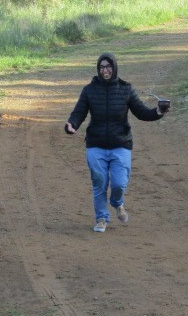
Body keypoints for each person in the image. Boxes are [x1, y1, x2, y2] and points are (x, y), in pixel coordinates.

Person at [65, 53, 169, 233]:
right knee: (99, 183)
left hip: (121, 144)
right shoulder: (89, 90)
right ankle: (101, 219)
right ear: (98, 69)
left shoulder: (126, 89)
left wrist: (159, 112)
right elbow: (78, 113)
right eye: (102, 67)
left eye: (108, 66)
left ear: (114, 68)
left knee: (119, 184)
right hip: (95, 144)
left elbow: (142, 113)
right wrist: (71, 125)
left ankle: (117, 203)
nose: (105, 70)